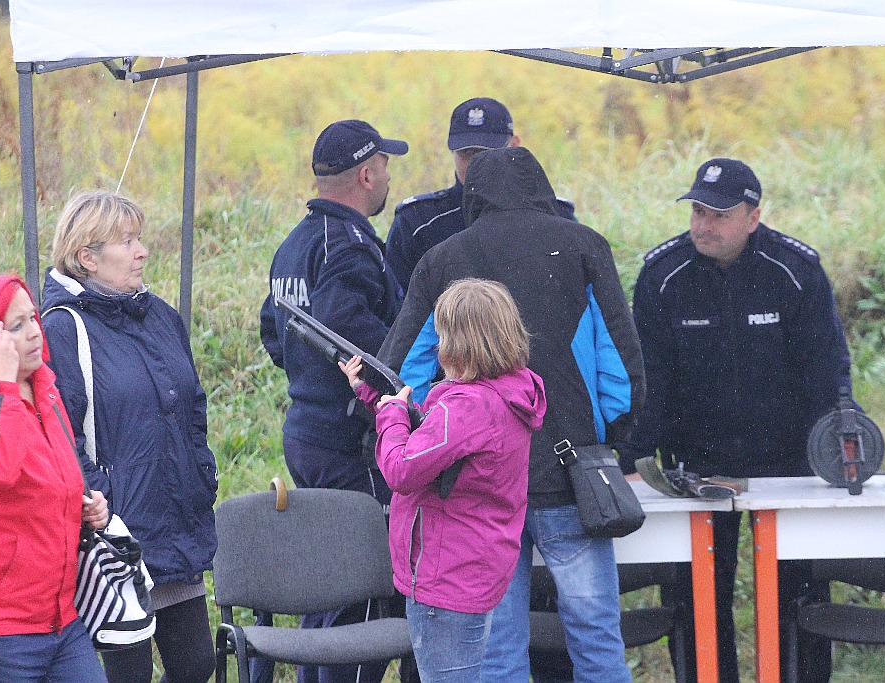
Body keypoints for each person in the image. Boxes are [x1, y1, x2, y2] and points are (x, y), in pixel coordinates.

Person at [380, 146, 646, 683]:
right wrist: (610, 439)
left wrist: (437, 434)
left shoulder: (444, 258)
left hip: (478, 487)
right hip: (572, 473)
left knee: (499, 651)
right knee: (597, 638)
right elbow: (622, 371)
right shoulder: (584, 247)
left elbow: (403, 371)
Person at [622, 158, 847, 683]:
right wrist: (635, 456)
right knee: (696, 598)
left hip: (789, 459)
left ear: (753, 217)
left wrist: (835, 444)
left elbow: (827, 368)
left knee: (799, 594)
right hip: (695, 462)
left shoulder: (796, 270)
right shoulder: (662, 275)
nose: (704, 225)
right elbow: (647, 378)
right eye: (698, 211)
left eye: (719, 215)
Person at [40, 191, 218, 683]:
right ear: (87, 258)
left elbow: (193, 404)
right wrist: (105, 505)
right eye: (127, 242)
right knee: (128, 674)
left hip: (176, 521)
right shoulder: (62, 329)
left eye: (139, 238)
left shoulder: (160, 315)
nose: (142, 251)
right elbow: (61, 435)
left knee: (196, 665)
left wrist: (202, 471)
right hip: (115, 536)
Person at [257, 119, 408, 683]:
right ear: (366, 174)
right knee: (367, 594)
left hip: (307, 430)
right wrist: (401, 383)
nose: (388, 177)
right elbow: (350, 331)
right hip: (351, 442)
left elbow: (274, 332)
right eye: (385, 166)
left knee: (328, 586)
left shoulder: (294, 244)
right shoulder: (349, 245)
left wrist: (311, 381)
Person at [339, 278, 547, 682]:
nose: (438, 346)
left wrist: (391, 415)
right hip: (473, 567)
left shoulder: (466, 407)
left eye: (442, 336)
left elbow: (401, 469)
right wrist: (375, 396)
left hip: (445, 578)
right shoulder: (508, 391)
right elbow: (430, 438)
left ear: (458, 343)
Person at [0, 269, 110, 683]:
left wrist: (83, 507)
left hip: (59, 619)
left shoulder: (44, 388)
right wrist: (1, 385)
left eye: (33, 317)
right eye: (16, 326)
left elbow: (51, 478)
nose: (35, 331)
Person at [386, 97, 575, 294]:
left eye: (486, 153)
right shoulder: (417, 222)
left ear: (515, 146)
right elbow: (395, 303)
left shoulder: (556, 217)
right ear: (452, 152)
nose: (476, 164)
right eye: (466, 153)